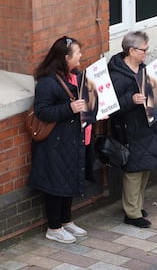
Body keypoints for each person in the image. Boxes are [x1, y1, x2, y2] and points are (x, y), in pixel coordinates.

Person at [28, 36, 88, 244]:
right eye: (77, 53)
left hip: (72, 140)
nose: (81, 56)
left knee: (68, 178)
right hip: (54, 143)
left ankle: (66, 220)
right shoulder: (47, 83)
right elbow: (42, 112)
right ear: (65, 58)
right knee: (56, 184)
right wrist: (68, 108)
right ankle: (53, 227)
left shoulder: (77, 76)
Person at [107, 31, 157, 228]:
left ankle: (137, 206)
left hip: (146, 127)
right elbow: (111, 106)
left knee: (144, 169)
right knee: (132, 172)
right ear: (131, 51)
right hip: (129, 130)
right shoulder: (117, 76)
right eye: (144, 50)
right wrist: (131, 100)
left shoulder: (144, 69)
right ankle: (132, 213)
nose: (146, 53)